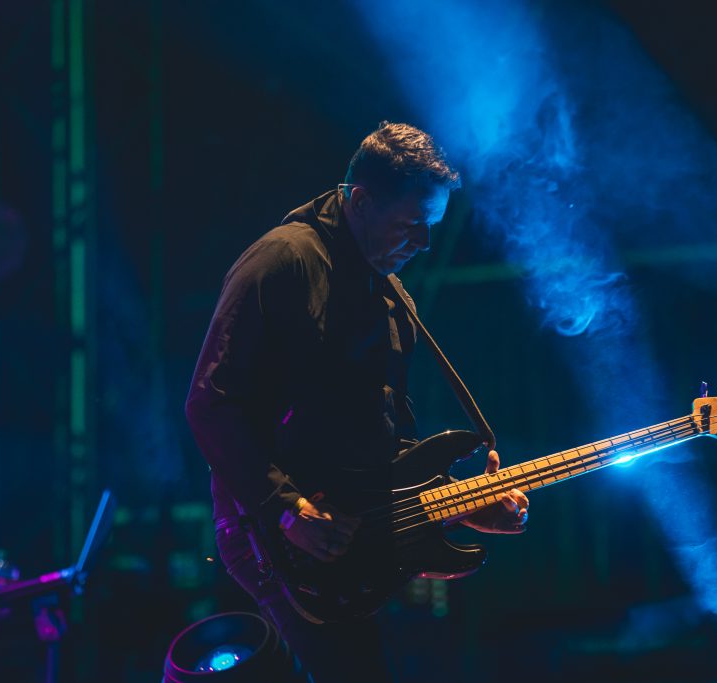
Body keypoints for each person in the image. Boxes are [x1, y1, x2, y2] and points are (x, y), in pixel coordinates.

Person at [185, 121, 529, 681]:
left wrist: (460, 503)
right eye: (412, 226)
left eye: (431, 229)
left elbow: (389, 443)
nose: (423, 244)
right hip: (273, 534)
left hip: (352, 534)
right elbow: (210, 403)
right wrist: (284, 508)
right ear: (361, 201)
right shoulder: (281, 262)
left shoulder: (390, 296)